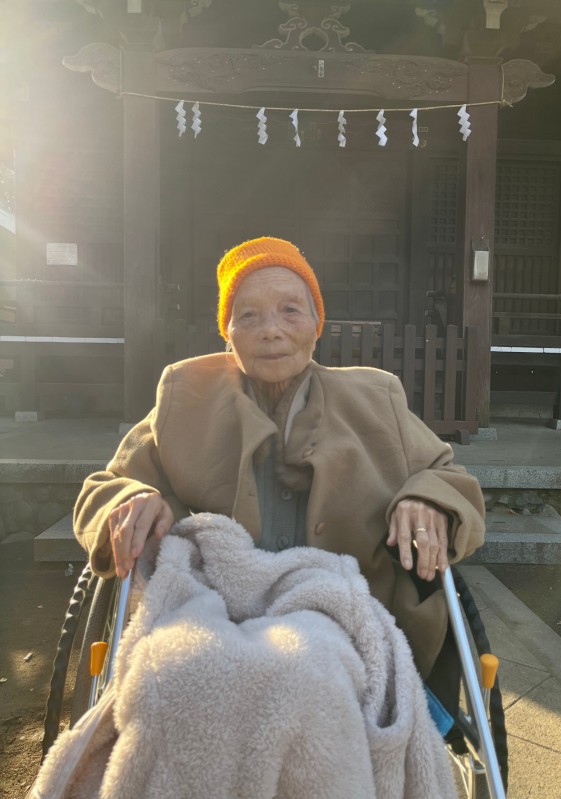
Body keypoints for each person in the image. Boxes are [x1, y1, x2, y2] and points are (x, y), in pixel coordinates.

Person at [74, 236, 485, 677]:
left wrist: (425, 500)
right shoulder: (186, 395)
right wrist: (132, 499)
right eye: (248, 315)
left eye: (290, 310)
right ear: (228, 333)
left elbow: (446, 475)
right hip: (213, 626)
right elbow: (105, 489)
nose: (271, 329)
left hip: (351, 629)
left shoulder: (375, 399)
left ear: (316, 325)